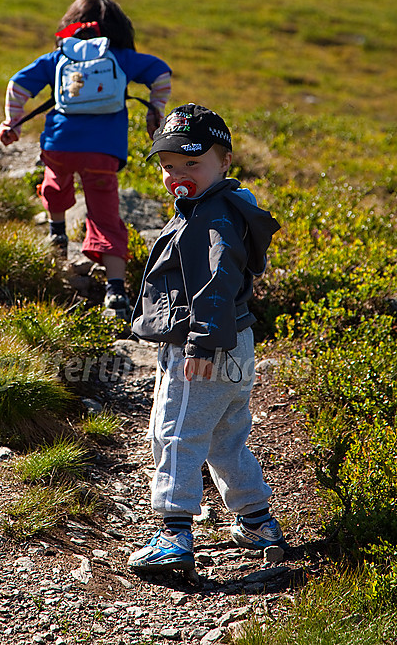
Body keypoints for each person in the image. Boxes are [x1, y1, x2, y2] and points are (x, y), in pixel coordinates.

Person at [128, 103, 284, 573]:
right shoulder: (220, 207)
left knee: (175, 432)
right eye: (168, 166)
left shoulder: (211, 218)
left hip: (204, 346)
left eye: (192, 163)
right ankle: (257, 521)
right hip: (235, 344)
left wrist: (200, 345)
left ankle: (173, 534)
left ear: (225, 162)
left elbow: (217, 281)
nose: (178, 173)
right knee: (225, 437)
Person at [0, 0, 172, 318]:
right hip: (104, 151)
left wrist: (12, 121)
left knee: (55, 182)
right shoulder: (121, 57)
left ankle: (57, 233)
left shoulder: (58, 57)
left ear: (69, 25)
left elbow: (17, 85)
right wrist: (156, 112)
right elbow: (161, 73)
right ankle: (116, 291)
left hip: (60, 145)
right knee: (106, 215)